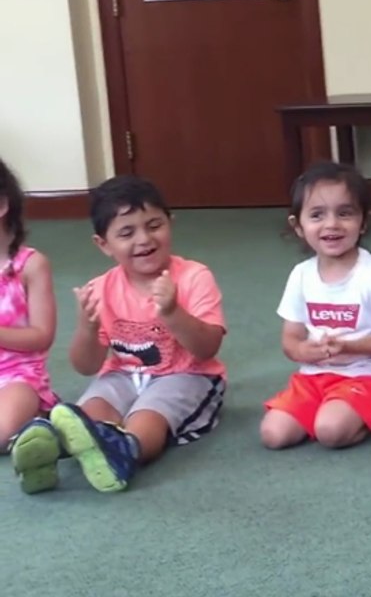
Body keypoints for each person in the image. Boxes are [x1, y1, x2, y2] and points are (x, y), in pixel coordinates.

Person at [11, 175, 226, 494]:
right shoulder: (100, 288)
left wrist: (172, 313)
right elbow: (85, 366)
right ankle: (51, 448)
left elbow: (207, 347)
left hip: (186, 374)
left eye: (154, 225)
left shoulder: (194, 277)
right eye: (127, 232)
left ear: (171, 222)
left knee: (147, 417)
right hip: (123, 374)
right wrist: (88, 326)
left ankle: (125, 450)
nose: (144, 239)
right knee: (88, 413)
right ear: (104, 244)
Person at [260, 161, 371, 450]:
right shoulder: (301, 275)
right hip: (314, 377)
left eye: (345, 213)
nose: (331, 224)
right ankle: (333, 410)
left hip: (368, 377)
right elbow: (290, 337)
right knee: (273, 434)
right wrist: (303, 350)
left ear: (363, 221)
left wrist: (351, 347)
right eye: (317, 215)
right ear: (298, 226)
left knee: (330, 431)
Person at [0, 159, 58, 478]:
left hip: (19, 376)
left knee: (4, 426)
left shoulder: (30, 266)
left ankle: (34, 431)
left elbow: (41, 335)